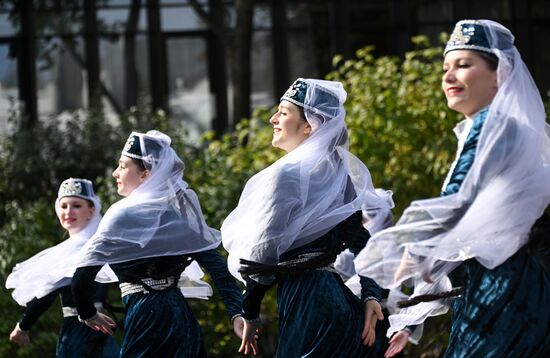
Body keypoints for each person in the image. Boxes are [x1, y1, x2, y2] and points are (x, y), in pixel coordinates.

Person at [354, 19, 550, 357]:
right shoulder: (500, 127)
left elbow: (455, 205)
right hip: (498, 287)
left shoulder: (494, 125)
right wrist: (411, 318)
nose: (447, 77)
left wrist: (407, 254)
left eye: (463, 65)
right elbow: (462, 234)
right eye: (446, 67)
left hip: (502, 292)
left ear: (498, 74)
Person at [222, 78, 393, 356]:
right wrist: (371, 293)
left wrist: (250, 310)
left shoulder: (285, 175)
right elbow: (363, 240)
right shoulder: (337, 177)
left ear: (308, 126)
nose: (272, 118)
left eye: (284, 112)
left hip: (307, 301)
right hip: (336, 299)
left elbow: (262, 254)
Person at [70, 130, 245, 357]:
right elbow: (218, 268)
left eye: (122, 166)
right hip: (180, 318)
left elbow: (81, 278)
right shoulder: (177, 216)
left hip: (145, 320)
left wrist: (87, 313)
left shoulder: (120, 215)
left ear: (144, 175)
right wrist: (236, 313)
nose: (115, 172)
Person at [6, 178, 119, 357]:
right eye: (64, 206)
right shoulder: (99, 243)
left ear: (91, 210)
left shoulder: (86, 247)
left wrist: (22, 326)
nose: (68, 212)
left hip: (80, 335)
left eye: (76, 205)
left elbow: (48, 292)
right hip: (100, 330)